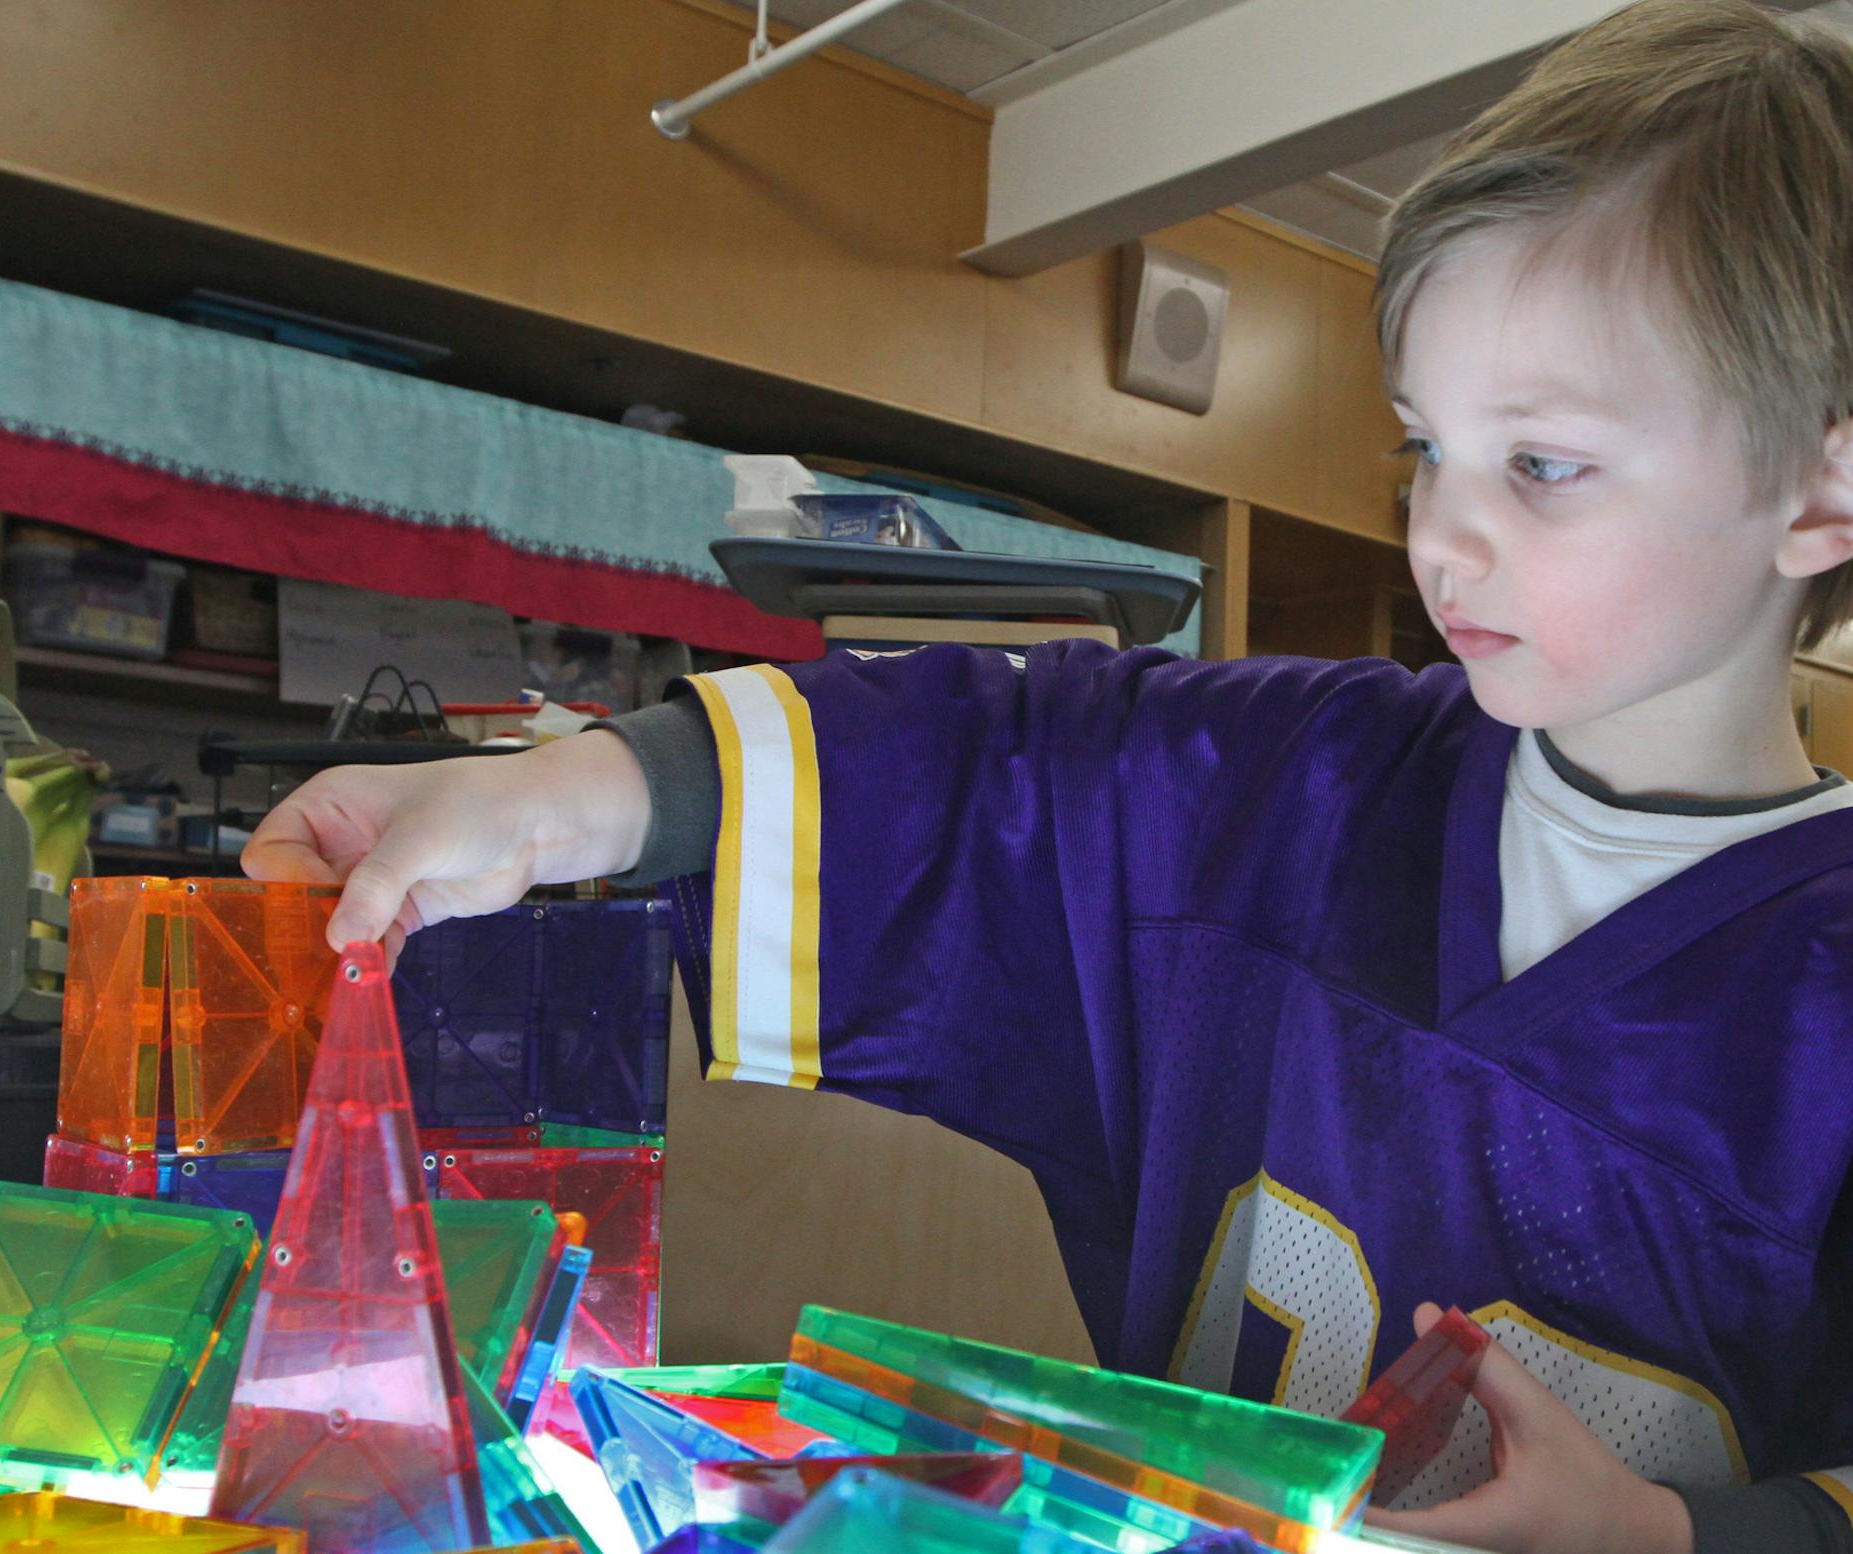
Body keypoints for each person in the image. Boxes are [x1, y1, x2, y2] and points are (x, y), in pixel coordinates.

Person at [244, 4, 1853, 1549]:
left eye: (1543, 464)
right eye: (1425, 444)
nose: (1442, 530)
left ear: (1818, 493)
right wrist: (540, 799)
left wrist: (1671, 1530)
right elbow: (983, 756)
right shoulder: (1291, 785)